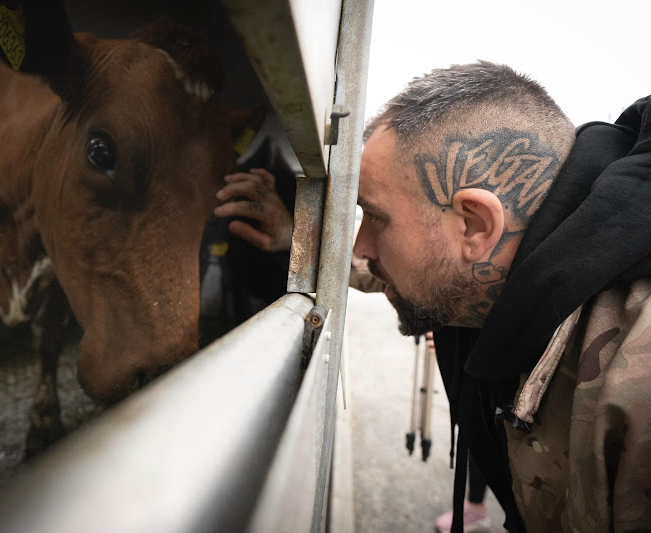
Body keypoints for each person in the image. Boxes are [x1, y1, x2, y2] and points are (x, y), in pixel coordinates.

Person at [218, 61, 651, 532]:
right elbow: (389, 268)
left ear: (474, 225)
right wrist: (293, 236)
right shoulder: (494, 275)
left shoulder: (636, 381)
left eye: (377, 218)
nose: (361, 246)